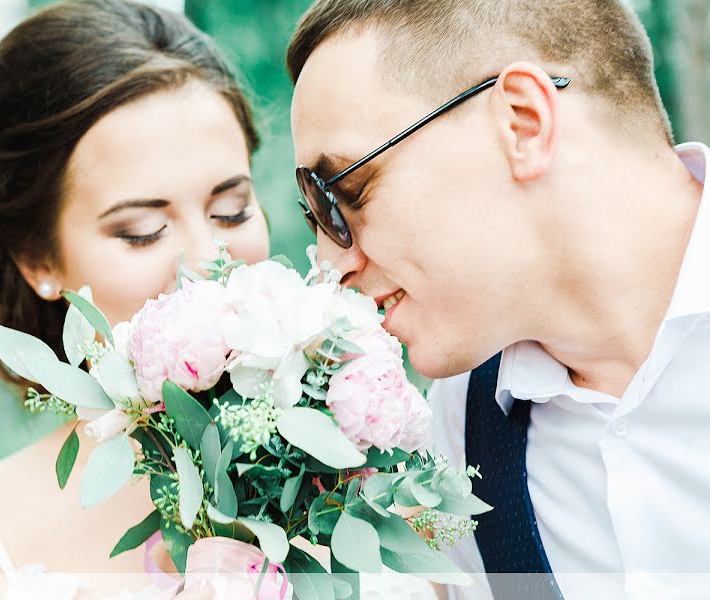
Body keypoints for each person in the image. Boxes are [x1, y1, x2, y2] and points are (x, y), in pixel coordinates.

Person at [288, 1, 710, 599]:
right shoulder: (453, 433)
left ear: (523, 122)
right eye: (319, 217)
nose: (335, 264)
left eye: (345, 194)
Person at [0, 1, 269, 597]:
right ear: (38, 258)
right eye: (143, 229)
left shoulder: (374, 476)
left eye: (232, 210)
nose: (207, 263)